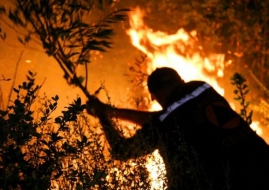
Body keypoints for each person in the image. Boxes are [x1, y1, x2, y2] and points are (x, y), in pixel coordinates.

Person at [86, 67, 269, 190]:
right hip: (261, 165)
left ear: (155, 95)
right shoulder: (203, 89)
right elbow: (164, 118)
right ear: (181, 81)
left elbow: (122, 151)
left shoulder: (164, 123)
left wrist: (103, 116)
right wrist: (112, 111)